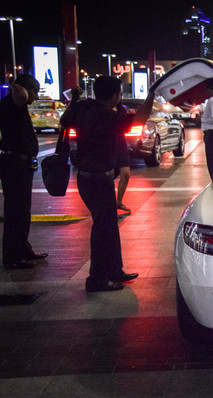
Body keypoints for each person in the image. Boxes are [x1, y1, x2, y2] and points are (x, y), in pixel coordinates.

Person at [61, 76, 154, 292]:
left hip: (88, 177)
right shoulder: (104, 116)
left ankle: (114, 270)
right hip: (96, 179)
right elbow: (139, 119)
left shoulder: (85, 107)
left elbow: (65, 120)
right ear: (113, 96)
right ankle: (97, 279)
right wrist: (151, 96)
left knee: (109, 225)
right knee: (103, 228)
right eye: (119, 94)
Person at [0, 74, 48, 270]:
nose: (35, 97)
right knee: (15, 211)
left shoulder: (17, 106)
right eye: (34, 92)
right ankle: (13, 256)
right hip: (14, 164)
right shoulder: (11, 104)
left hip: (22, 164)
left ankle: (22, 248)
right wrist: (18, 85)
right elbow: (21, 94)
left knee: (23, 210)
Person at [115, 133, 132, 213]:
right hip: (106, 139)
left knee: (126, 174)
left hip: (120, 139)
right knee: (108, 175)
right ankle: (110, 203)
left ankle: (119, 202)